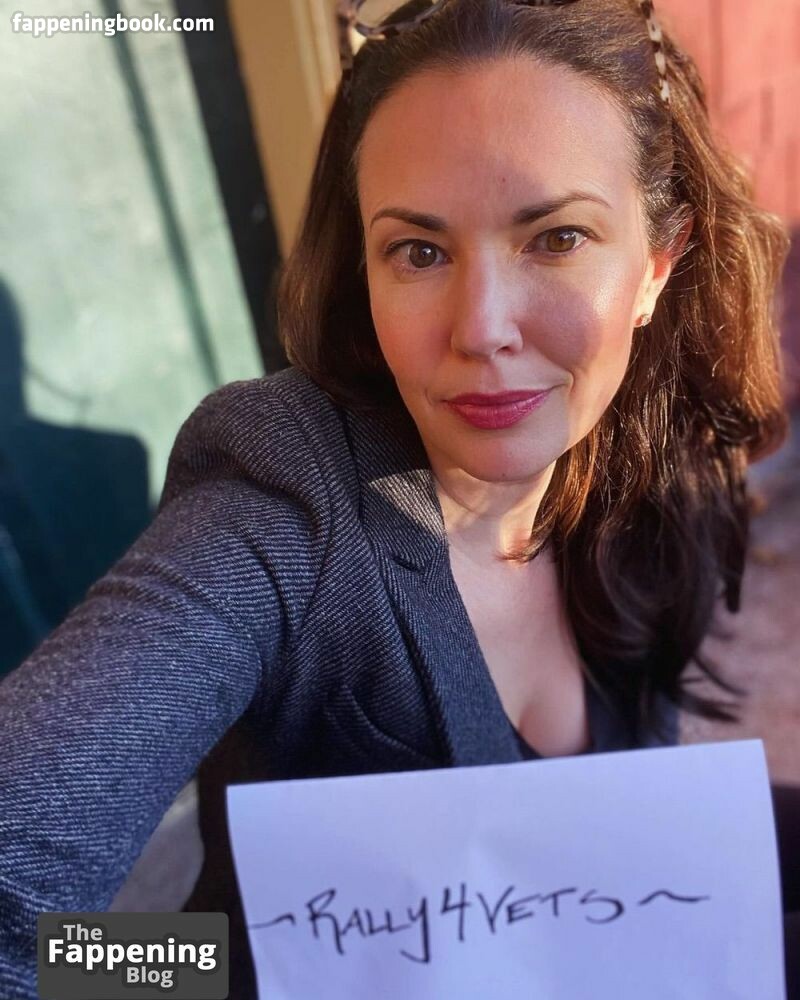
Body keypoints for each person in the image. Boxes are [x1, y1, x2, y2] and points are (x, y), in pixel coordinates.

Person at [0, 0, 793, 996]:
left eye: (555, 238)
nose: (482, 327)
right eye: (419, 251)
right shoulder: (286, 504)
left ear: (655, 265)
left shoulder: (642, 456)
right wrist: (216, 976)